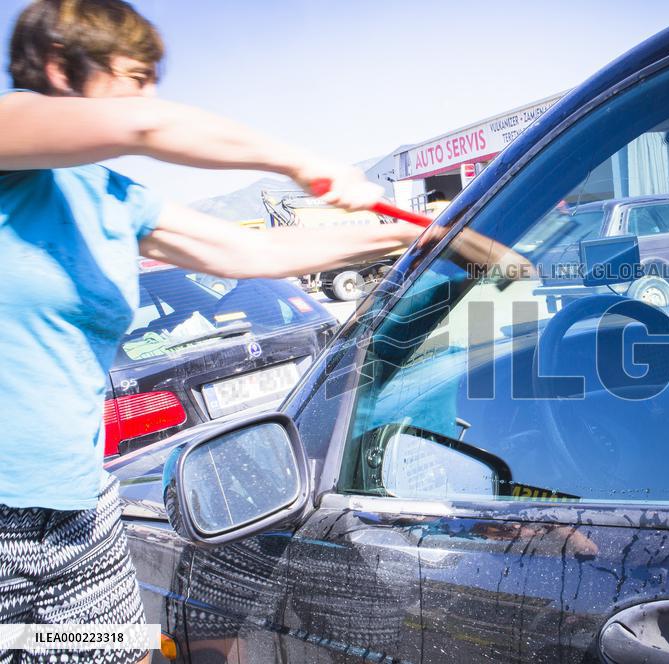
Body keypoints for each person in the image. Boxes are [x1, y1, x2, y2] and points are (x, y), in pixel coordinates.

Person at [0, 1, 426, 663]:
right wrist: (302, 164)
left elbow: (241, 253)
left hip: (79, 509)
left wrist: (395, 235)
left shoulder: (114, 197)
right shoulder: (9, 125)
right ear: (61, 67)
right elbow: (145, 124)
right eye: (135, 75)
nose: (149, 94)